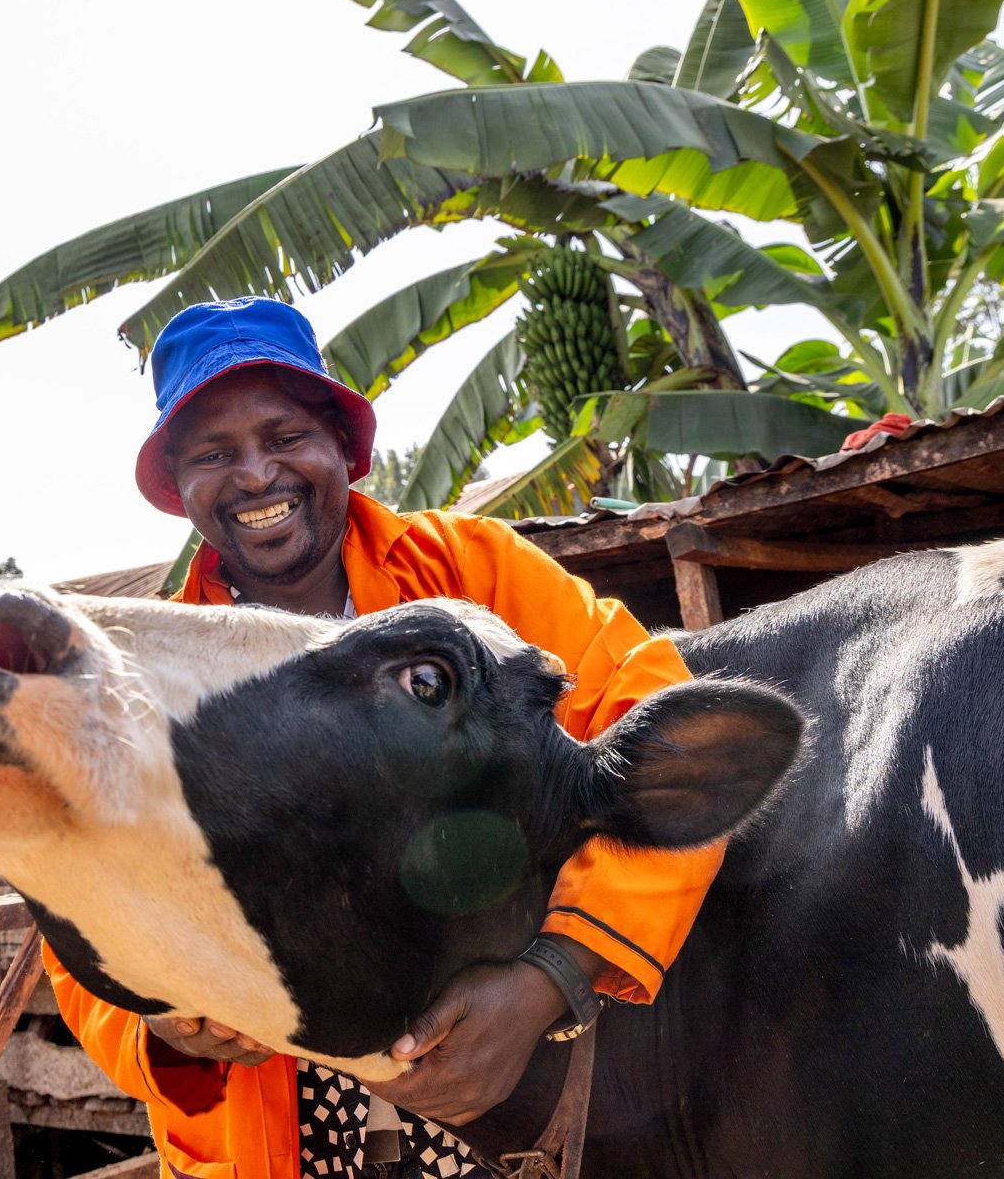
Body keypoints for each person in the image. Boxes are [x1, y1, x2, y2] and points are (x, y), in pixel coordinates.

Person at [44, 297, 725, 1179]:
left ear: (341, 446)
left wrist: (551, 976)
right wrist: (166, 1029)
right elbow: (83, 918)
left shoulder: (474, 580)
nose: (255, 475)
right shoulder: (163, 677)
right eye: (214, 453)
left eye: (284, 435)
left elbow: (662, 731)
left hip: (521, 1116)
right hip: (284, 1139)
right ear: (183, 487)